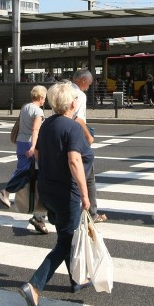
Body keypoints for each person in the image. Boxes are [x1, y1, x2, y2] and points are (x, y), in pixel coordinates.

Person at [18, 82, 92, 306]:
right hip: (65, 191)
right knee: (65, 242)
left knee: (66, 235)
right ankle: (34, 285)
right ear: (72, 103)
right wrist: (85, 193)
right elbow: (74, 161)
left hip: (47, 190)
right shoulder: (72, 128)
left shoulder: (48, 123)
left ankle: (76, 280)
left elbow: (38, 152)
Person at [0, 85, 49, 233]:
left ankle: (36, 210)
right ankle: (6, 191)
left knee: (23, 169)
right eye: (44, 97)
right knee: (30, 172)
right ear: (41, 98)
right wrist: (33, 146)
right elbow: (35, 130)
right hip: (29, 143)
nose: (45, 100)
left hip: (20, 142)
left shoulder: (25, 107)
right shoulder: (38, 111)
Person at [70, 70, 106, 222]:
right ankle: (92, 213)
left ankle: (40, 214)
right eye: (89, 84)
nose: (89, 87)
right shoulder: (80, 95)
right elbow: (78, 118)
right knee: (88, 177)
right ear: (84, 80)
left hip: (61, 134)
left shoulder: (62, 89)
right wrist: (89, 136)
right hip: (77, 137)